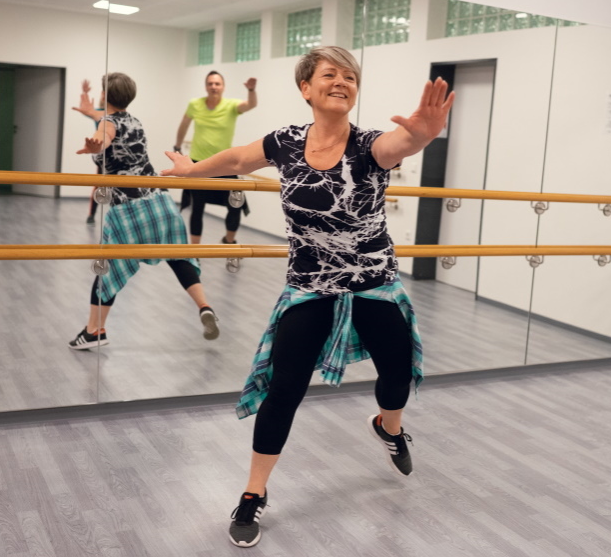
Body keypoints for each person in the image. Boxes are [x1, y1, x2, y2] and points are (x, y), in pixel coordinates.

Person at [162, 46, 454, 548]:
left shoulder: (369, 145)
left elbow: (399, 144)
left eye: (350, 76)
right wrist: (191, 171)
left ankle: (389, 428)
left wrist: (422, 135)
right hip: (309, 286)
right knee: (285, 389)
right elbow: (238, 157)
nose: (341, 81)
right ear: (306, 88)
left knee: (398, 376)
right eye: (329, 74)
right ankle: (253, 493)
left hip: (372, 283)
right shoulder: (285, 142)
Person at [69, 73, 220, 351]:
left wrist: (96, 144)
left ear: (105, 95)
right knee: (179, 257)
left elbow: (105, 133)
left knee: (108, 270)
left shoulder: (106, 124)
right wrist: (90, 114)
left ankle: (94, 331)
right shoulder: (134, 121)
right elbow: (107, 122)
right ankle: (204, 306)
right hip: (160, 202)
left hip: (129, 210)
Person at [174, 71, 257, 244]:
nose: (214, 86)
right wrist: (177, 146)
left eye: (217, 83)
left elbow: (251, 105)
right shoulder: (195, 104)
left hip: (225, 165)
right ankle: (195, 251)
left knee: (236, 205)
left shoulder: (231, 106)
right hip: (198, 164)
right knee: (197, 208)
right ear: (206, 86)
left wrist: (251, 90)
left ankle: (229, 241)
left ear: (223, 87)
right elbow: (184, 125)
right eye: (210, 83)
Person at [72, 79, 105, 224]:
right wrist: (85, 93)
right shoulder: (98, 113)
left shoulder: (115, 115)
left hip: (113, 156)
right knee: (99, 184)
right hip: (102, 154)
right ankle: (91, 214)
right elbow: (87, 111)